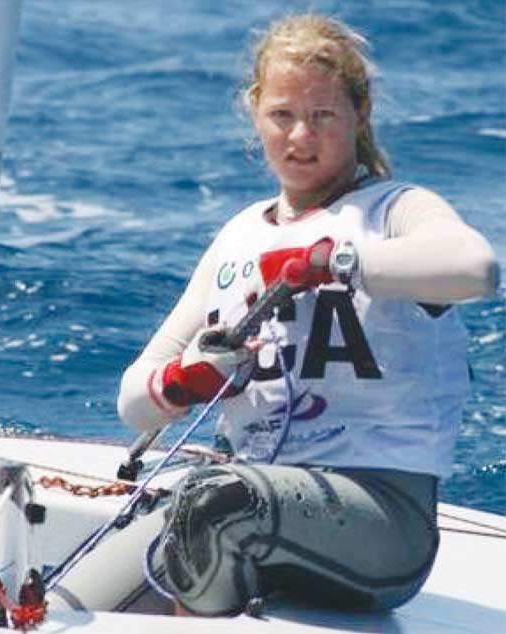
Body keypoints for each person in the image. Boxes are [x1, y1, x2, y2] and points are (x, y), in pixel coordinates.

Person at [117, 13, 498, 616]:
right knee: (117, 555)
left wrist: (336, 262)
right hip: (264, 500)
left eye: (322, 116)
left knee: (211, 504)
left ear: (359, 113)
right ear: (255, 113)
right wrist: (182, 382)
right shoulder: (238, 238)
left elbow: (474, 268)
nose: (301, 136)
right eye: (282, 115)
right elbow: (134, 401)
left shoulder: (395, 211)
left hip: (382, 522)